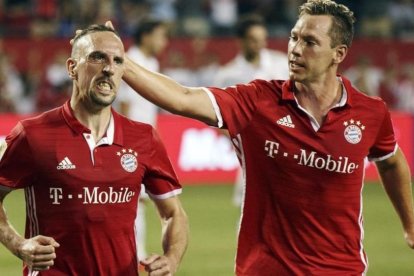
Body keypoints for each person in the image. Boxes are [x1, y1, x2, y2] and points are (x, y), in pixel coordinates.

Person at [115, 0, 414, 274]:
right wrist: (121, 62)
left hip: (341, 269)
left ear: (339, 54)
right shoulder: (258, 101)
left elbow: (391, 162)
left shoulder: (370, 113)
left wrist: (410, 225)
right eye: (294, 37)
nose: (296, 49)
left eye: (310, 42)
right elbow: (182, 97)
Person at [0, 24, 188, 275]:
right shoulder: (33, 134)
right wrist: (19, 244)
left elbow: (174, 213)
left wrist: (172, 259)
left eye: (118, 61)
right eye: (97, 57)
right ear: (72, 68)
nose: (109, 68)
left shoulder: (144, 138)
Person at [211, 14, 289, 207]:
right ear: (241, 41)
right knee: (250, 208)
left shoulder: (282, 64)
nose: (260, 45)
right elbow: (216, 116)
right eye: (254, 40)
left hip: (286, 145)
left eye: (262, 39)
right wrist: (238, 140)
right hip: (253, 152)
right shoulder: (227, 75)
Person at [115, 17, 169, 261]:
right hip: (130, 142)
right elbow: (124, 103)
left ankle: (135, 253)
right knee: (134, 201)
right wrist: (127, 143)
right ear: (146, 36)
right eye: (160, 35)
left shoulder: (152, 62)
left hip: (145, 141)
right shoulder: (130, 60)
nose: (164, 41)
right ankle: (134, 255)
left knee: (141, 202)